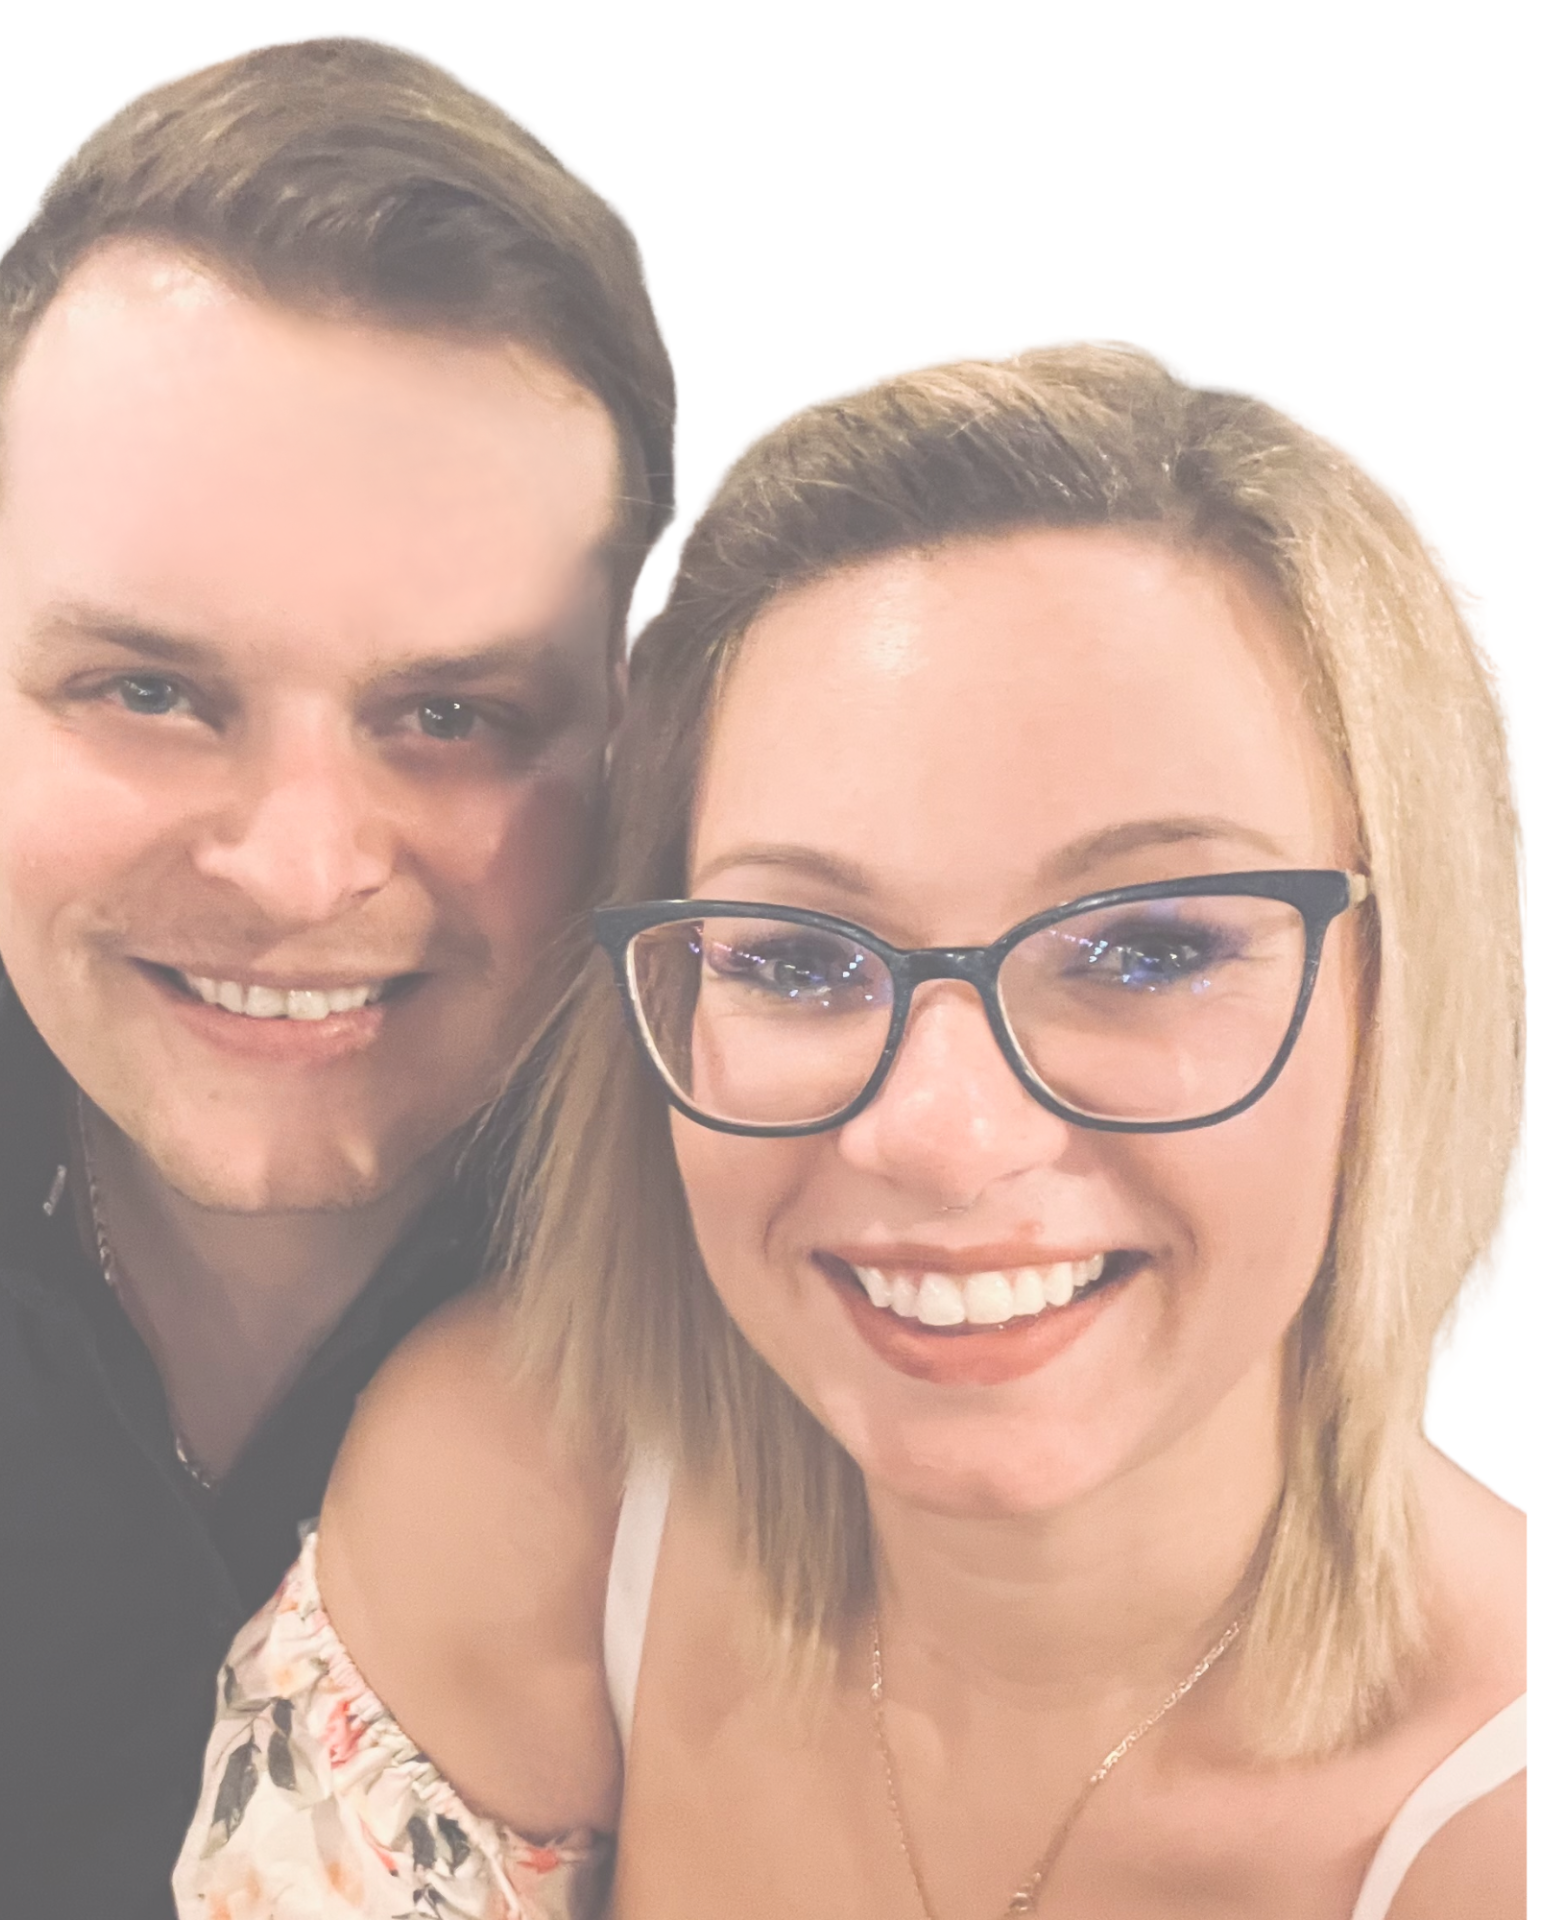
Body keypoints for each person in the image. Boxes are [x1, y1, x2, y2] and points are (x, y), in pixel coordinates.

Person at [177, 345, 1526, 1919]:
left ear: (1400, 995)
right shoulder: (530, 1499)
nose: (942, 1136)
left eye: (1149, 947)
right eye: (798, 959)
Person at [0, 38, 672, 1920]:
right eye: (148, 689)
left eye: (451, 714)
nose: (297, 868)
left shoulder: (774, 1210)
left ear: (621, 724)